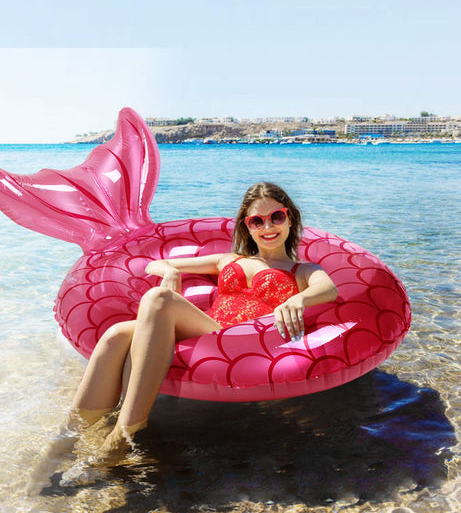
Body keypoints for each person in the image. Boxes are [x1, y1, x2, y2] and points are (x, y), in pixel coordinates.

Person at [70, 182, 338, 464]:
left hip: (239, 343)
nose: (267, 227)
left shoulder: (302, 270)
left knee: (160, 299)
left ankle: (125, 432)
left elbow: (328, 288)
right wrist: (170, 271)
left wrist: (299, 300)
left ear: (290, 218)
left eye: (277, 217)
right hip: (208, 328)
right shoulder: (229, 259)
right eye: (257, 220)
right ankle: (71, 435)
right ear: (247, 226)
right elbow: (153, 264)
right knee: (115, 335)